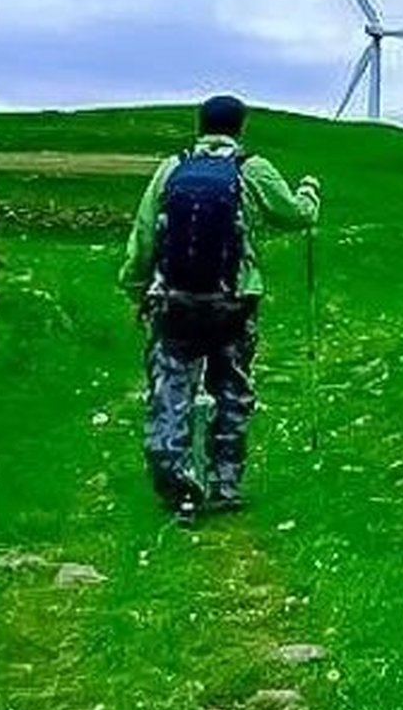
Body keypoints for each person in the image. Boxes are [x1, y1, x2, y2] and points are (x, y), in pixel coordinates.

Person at [119, 94, 320, 524]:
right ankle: (225, 483)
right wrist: (309, 192)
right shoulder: (253, 169)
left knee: (171, 392)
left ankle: (177, 484)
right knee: (231, 390)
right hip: (234, 301)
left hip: (174, 301)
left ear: (200, 125)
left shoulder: (171, 169)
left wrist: (137, 289)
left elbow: (144, 234)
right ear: (240, 127)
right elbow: (295, 215)